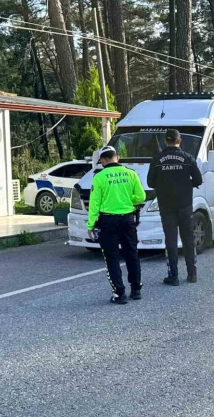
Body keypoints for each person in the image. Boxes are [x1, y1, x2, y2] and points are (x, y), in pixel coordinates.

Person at [87, 145, 147, 304]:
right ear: (117, 158)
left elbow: (95, 204)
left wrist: (90, 224)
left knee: (112, 257)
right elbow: (141, 197)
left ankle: (119, 293)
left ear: (102, 161)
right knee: (131, 254)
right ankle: (136, 289)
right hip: (128, 220)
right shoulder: (131, 173)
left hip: (108, 221)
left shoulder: (99, 177)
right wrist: (128, 201)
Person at [148, 129, 203, 286]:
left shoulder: (157, 159)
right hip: (185, 205)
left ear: (166, 141)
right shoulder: (187, 158)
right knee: (188, 239)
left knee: (170, 241)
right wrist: (186, 185)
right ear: (180, 141)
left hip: (166, 206)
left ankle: (173, 276)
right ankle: (192, 274)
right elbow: (198, 180)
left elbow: (151, 182)